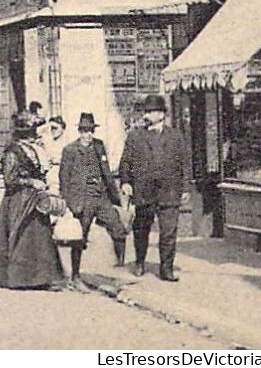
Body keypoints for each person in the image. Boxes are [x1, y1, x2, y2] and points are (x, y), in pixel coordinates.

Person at [0, 111, 63, 290]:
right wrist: (31, 181)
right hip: (18, 200)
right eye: (31, 131)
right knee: (21, 236)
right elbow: (9, 180)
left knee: (39, 238)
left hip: (34, 199)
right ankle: (20, 279)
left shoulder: (32, 148)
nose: (33, 135)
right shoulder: (12, 152)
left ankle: (41, 278)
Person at [118, 93, 190, 282]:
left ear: (162, 114)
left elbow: (184, 163)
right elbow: (125, 162)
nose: (146, 115)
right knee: (141, 229)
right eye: (145, 111)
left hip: (170, 191)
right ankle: (140, 261)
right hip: (143, 191)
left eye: (150, 111)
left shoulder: (175, 136)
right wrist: (125, 182)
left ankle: (166, 269)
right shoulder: (135, 136)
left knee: (169, 232)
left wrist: (186, 188)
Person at [59, 112, 126, 289]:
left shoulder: (99, 146)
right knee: (79, 238)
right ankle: (75, 276)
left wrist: (113, 193)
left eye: (90, 131)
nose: (87, 135)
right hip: (83, 199)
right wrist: (67, 203)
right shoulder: (70, 150)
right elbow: (64, 178)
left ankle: (120, 265)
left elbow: (105, 169)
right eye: (84, 131)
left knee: (118, 228)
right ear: (79, 132)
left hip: (101, 196)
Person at [42, 115, 71, 193]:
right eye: (51, 128)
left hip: (63, 173)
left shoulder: (67, 142)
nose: (53, 131)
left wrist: (57, 161)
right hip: (50, 174)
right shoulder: (48, 142)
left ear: (63, 128)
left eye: (55, 128)